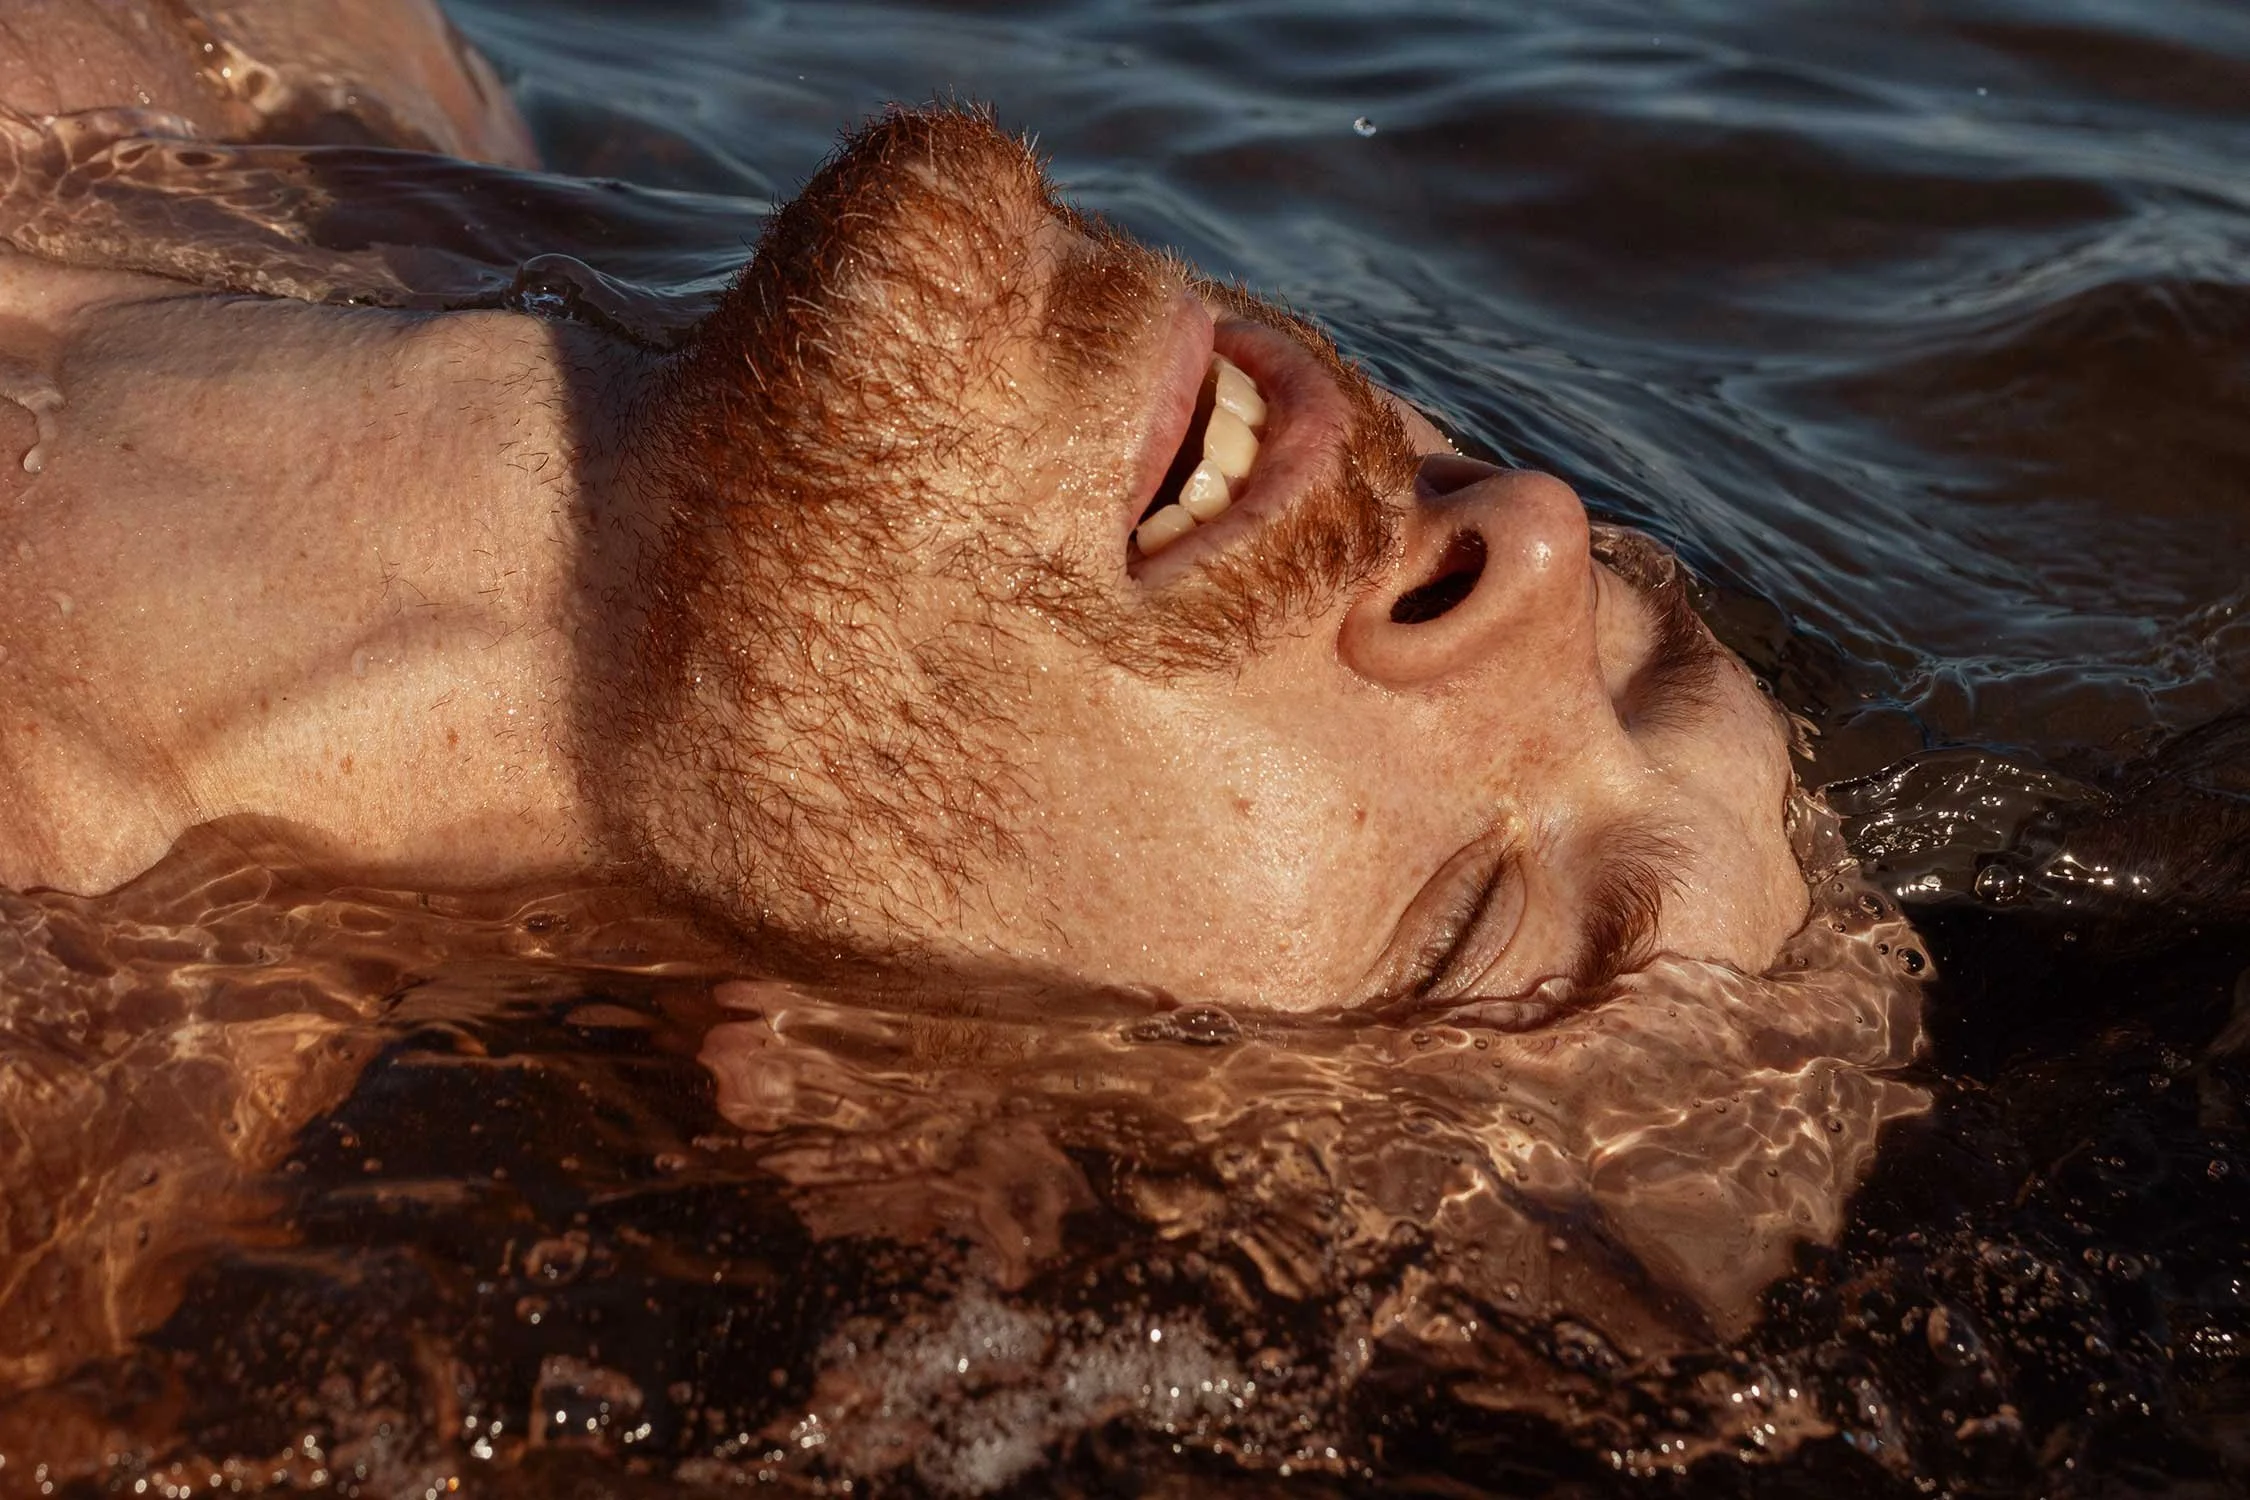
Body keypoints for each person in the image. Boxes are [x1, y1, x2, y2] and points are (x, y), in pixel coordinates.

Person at [0, 0, 1809, 1012]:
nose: (1542, 538)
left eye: (1464, 928)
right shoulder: (341, 70)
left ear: (932, 1148)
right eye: (1641, 653)